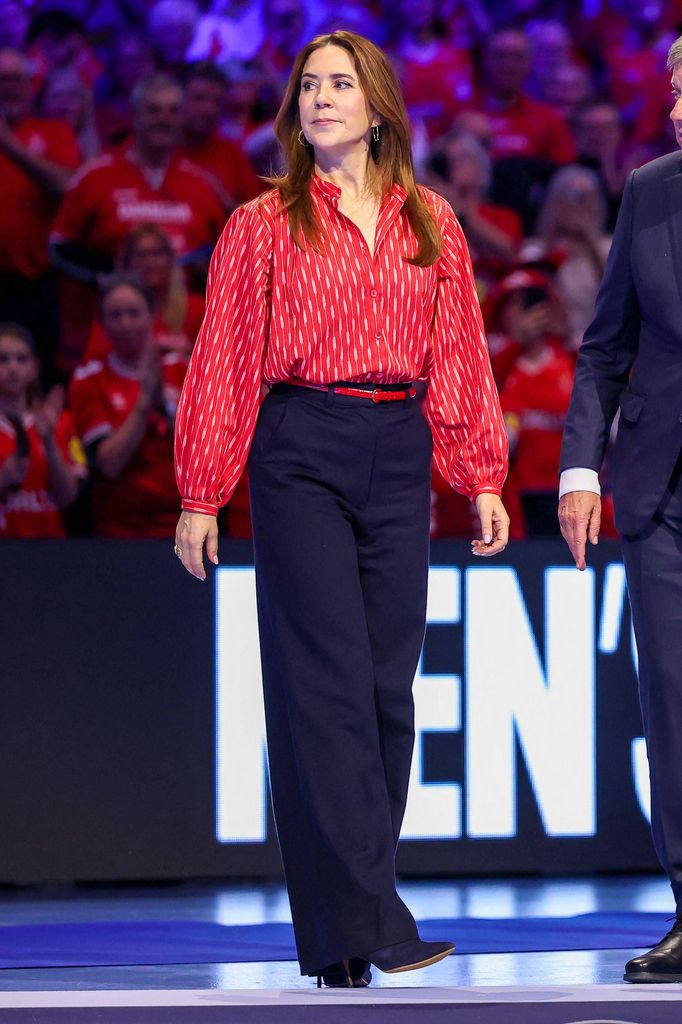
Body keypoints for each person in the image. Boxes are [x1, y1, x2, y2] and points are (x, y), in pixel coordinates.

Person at [174, 29, 509, 987]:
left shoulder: (431, 221)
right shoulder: (261, 223)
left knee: (382, 696)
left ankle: (336, 938)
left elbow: (461, 360)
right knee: (321, 691)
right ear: (295, 109)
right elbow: (227, 361)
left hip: (398, 449)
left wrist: (481, 473)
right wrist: (203, 493)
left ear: (378, 107)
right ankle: (377, 919)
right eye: (310, 85)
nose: (323, 97)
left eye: (342, 84)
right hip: (301, 450)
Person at [559, 34, 682, 983]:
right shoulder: (649, 190)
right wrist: (578, 472)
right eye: (675, 90)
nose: (677, 109)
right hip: (659, 489)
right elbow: (603, 349)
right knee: (673, 708)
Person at [70, 274, 187, 538]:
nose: (126, 323)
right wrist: (144, 403)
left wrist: (168, 409)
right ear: (103, 323)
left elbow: (204, 449)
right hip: (118, 529)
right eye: (115, 315)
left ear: (151, 315)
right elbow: (109, 464)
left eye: (134, 313)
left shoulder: (183, 368)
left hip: (185, 522)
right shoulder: (89, 379)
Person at [0, 324, 83, 538]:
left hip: (48, 547)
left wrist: (49, 441)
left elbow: (68, 497)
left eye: (21, 359)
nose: (12, 367)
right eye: (3, 359)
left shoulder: (60, 420)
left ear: (34, 368)